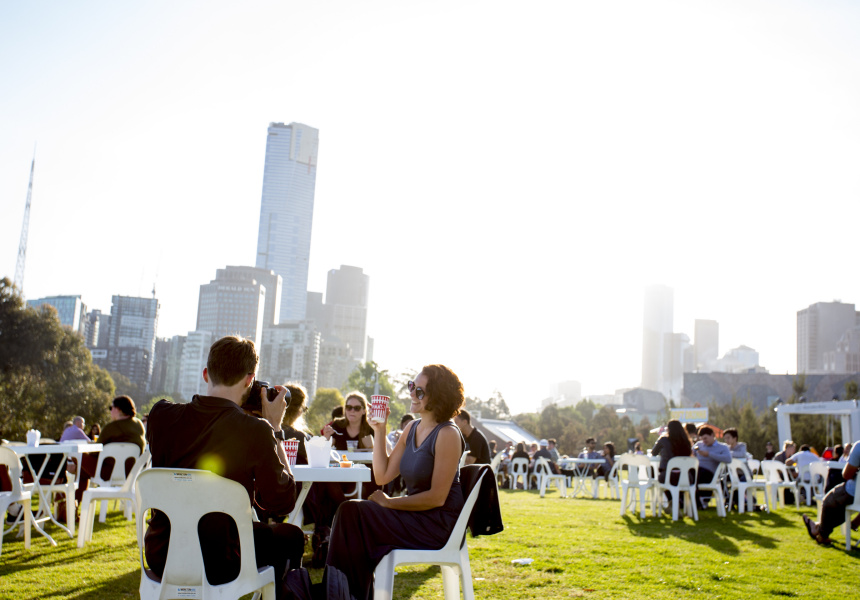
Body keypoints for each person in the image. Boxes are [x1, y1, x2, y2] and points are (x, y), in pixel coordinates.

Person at [144, 335, 304, 599]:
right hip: (220, 561)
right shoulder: (255, 430)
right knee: (291, 536)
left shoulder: (160, 415)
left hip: (162, 554)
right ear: (249, 380)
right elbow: (283, 502)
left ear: (206, 373)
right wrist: (275, 428)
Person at [326, 364, 466, 600]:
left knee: (354, 513)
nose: (411, 393)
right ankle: (342, 592)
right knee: (350, 512)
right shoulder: (412, 428)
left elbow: (437, 497)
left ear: (438, 396)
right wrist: (379, 430)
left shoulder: (447, 434)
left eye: (419, 391)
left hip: (437, 525)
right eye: (412, 386)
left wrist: (390, 503)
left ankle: (341, 593)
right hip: (415, 516)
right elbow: (382, 476)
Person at [72, 396, 146, 512]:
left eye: (111, 408)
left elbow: (95, 452)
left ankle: (73, 505)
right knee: (82, 470)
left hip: (107, 473)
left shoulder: (111, 427)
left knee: (77, 455)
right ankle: (73, 506)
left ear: (118, 409)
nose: (110, 411)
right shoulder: (139, 425)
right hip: (131, 472)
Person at [802, 441, 860, 545]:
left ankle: (821, 533)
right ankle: (818, 528)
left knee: (827, 501)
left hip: (854, 492)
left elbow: (846, 475)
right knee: (842, 510)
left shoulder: (859, 446)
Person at [693, 426, 732, 509]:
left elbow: (728, 459)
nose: (704, 441)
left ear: (712, 435)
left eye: (705, 438)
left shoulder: (722, 447)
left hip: (710, 473)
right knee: (688, 474)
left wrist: (709, 454)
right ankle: (690, 500)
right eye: (702, 439)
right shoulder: (699, 445)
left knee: (697, 474)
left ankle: (698, 501)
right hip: (697, 470)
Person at [650, 420, 692, 487]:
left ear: (668, 429)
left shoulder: (663, 440)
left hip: (667, 476)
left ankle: (671, 494)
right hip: (686, 477)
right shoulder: (686, 442)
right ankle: (677, 494)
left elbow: (653, 452)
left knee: (662, 480)